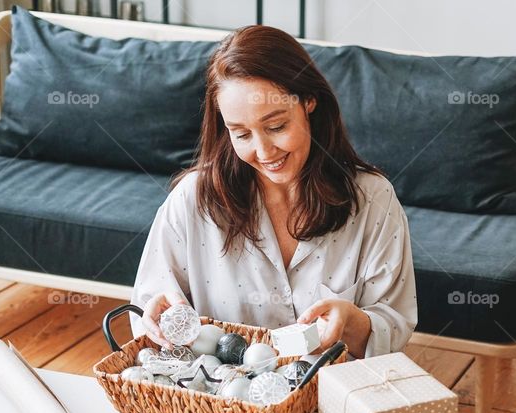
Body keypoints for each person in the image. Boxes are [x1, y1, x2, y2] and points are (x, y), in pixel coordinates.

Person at [129, 25, 416, 360]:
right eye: (241, 133)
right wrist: (159, 321)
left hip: (335, 399)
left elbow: (394, 323)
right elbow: (148, 313)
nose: (264, 152)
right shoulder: (192, 200)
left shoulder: (373, 200)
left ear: (310, 101)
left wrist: (352, 322)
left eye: (276, 126)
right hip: (221, 407)